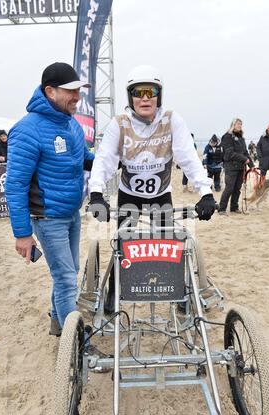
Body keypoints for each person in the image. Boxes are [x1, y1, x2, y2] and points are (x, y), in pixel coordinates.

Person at [87, 64, 216, 313]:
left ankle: (178, 290)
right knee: (122, 245)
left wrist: (206, 192)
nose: (144, 99)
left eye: (151, 92)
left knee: (169, 243)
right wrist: (96, 193)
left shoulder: (171, 120)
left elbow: (188, 157)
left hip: (161, 195)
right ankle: (115, 290)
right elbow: (104, 160)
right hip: (129, 196)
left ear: (159, 95)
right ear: (130, 96)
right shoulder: (119, 124)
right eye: (138, 92)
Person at [5, 62, 94, 337]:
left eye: (78, 90)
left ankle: (58, 324)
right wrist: (23, 234)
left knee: (70, 271)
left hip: (71, 214)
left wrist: (119, 158)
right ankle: (75, 343)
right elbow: (15, 185)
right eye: (71, 91)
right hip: (47, 219)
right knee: (67, 279)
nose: (77, 97)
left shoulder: (72, 125)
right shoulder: (27, 129)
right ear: (50, 92)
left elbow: (87, 160)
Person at [218, 118, 253, 215]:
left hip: (241, 167)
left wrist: (251, 165)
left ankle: (234, 207)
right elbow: (230, 154)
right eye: (238, 124)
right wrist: (244, 159)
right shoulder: (227, 137)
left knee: (237, 189)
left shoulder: (241, 138)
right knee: (229, 188)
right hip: (231, 167)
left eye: (241, 124)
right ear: (233, 125)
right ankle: (222, 209)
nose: (239, 126)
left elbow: (245, 152)